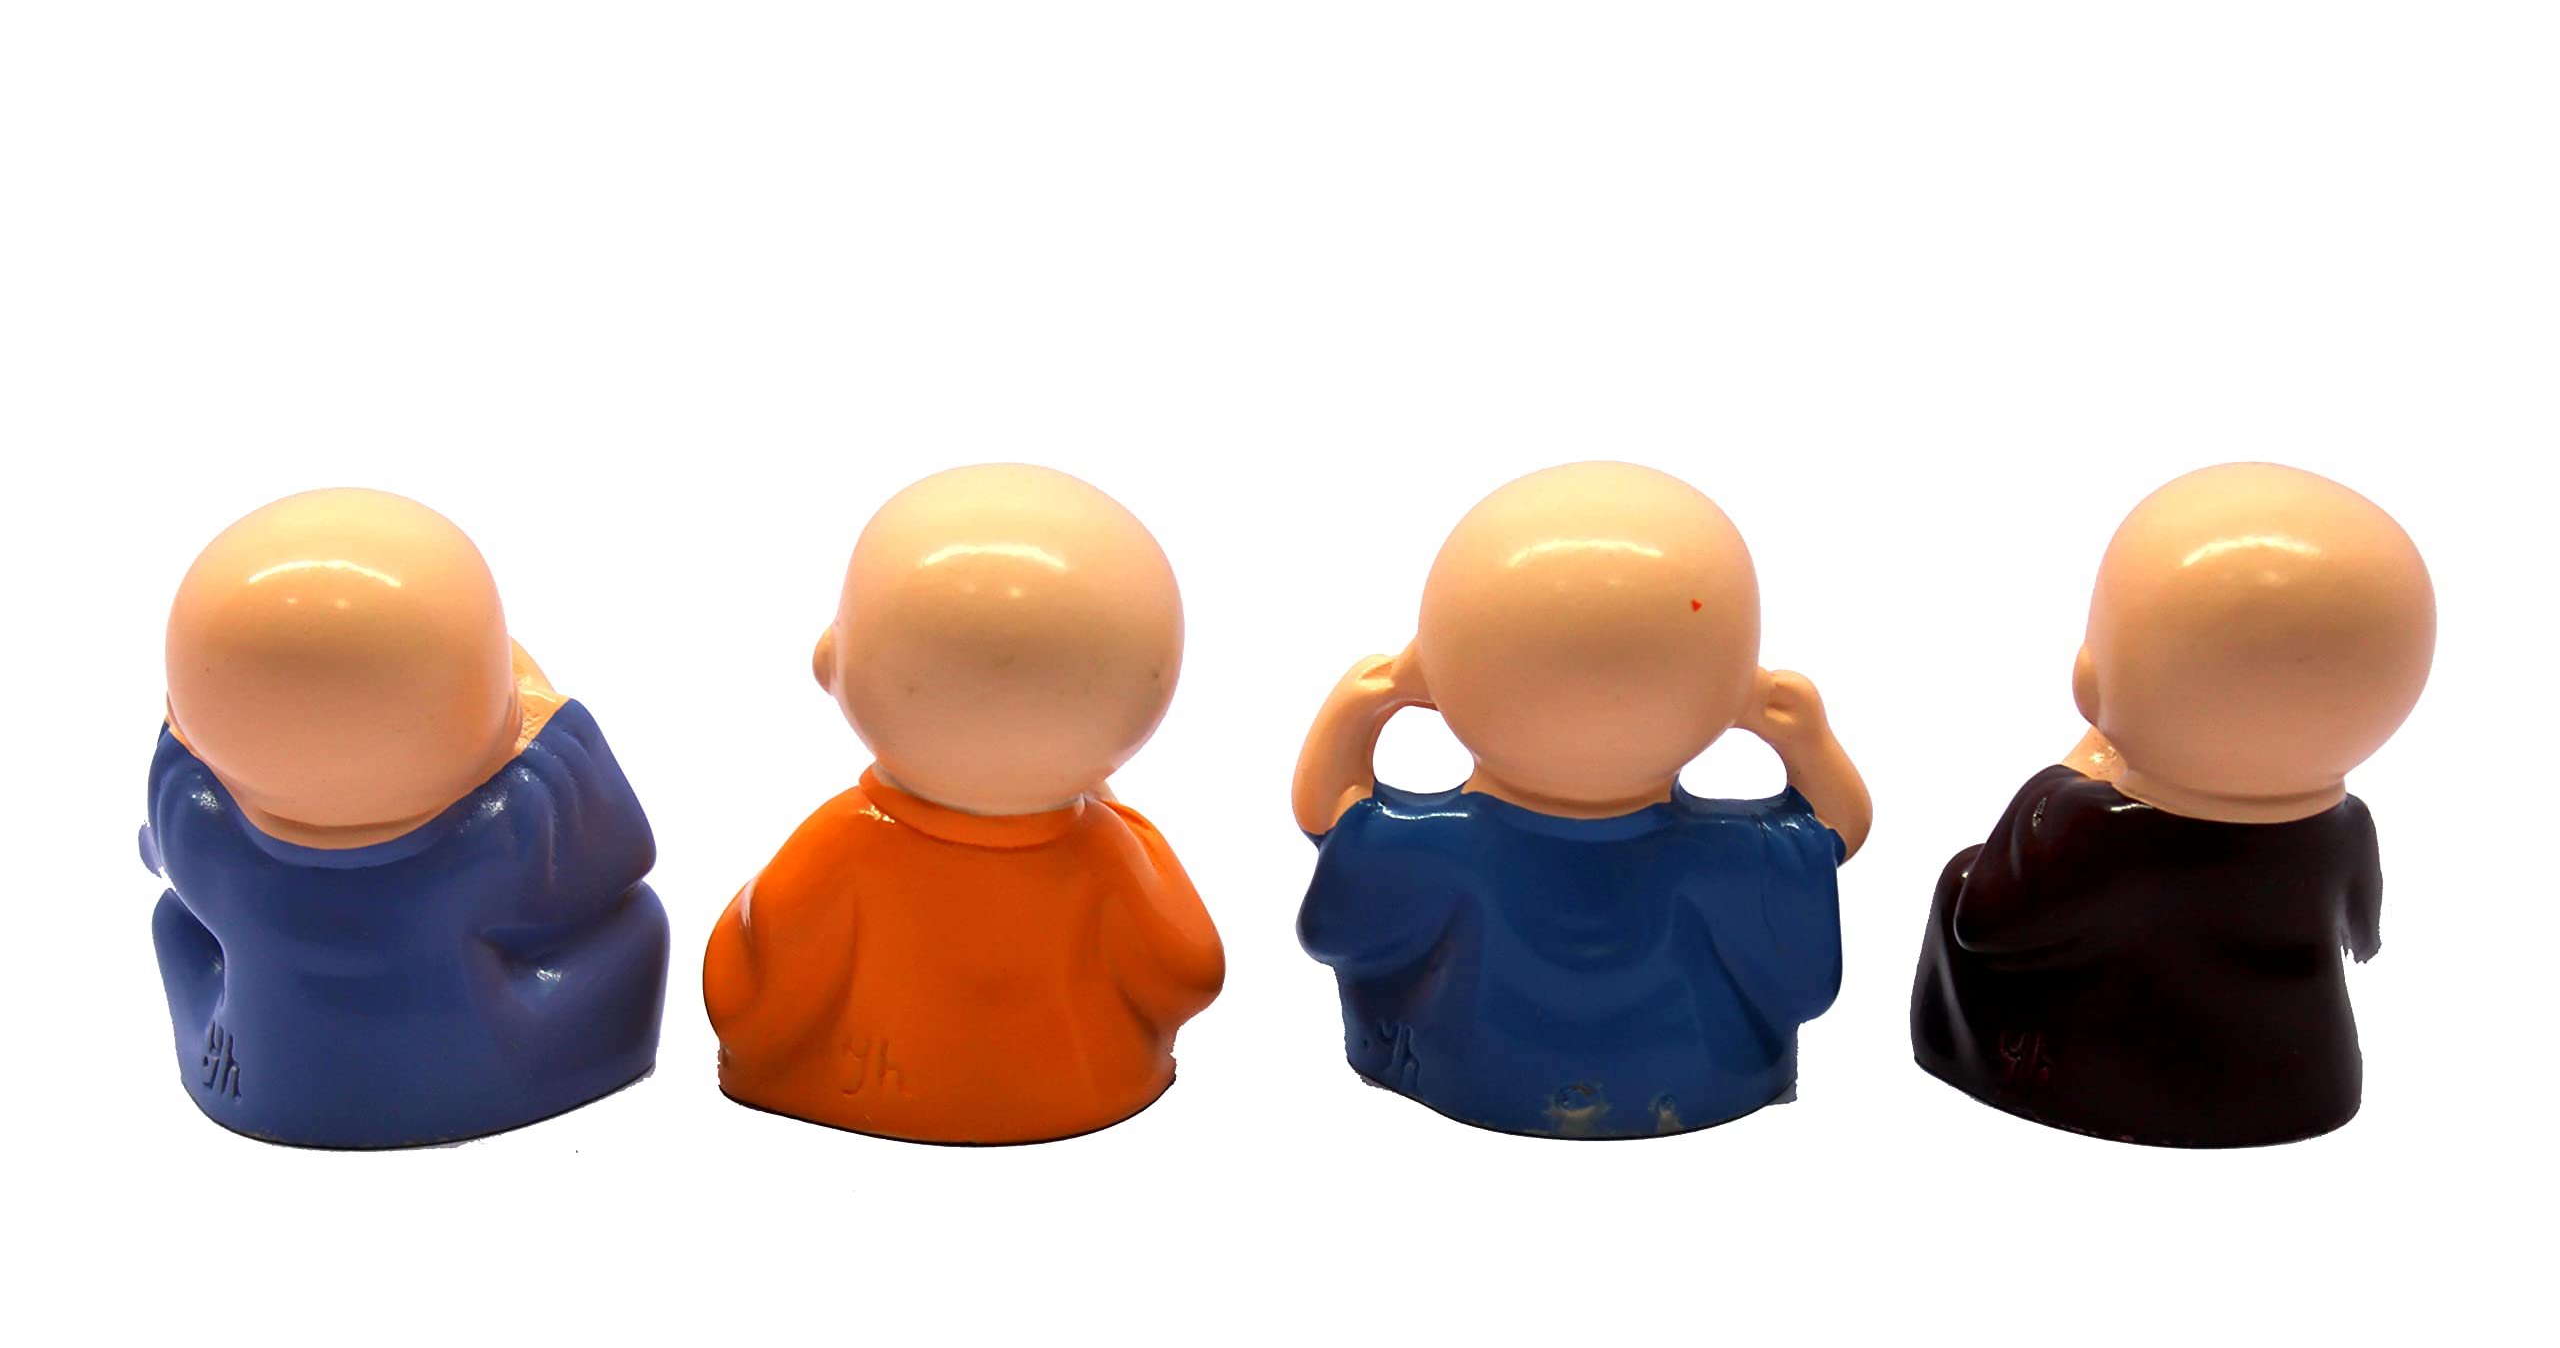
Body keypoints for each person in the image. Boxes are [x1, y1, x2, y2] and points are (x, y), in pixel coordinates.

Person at [1294, 461, 1871, 1138]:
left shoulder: (1443, 845)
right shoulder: (1724, 856)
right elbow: (1834, 831)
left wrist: (1364, 705)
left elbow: (1330, 819)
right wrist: (1806, 743)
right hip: (1690, 1065)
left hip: (1478, 1061)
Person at [1911, 462, 2435, 1146]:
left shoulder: (2092, 828)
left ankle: (1962, 1053)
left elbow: (1986, 921)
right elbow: (2362, 939)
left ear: (2095, 676)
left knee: (1959, 873)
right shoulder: (2346, 827)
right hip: (2306, 1079)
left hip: (2117, 1080)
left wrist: (2076, 766)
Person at [704, 464, 1225, 1144]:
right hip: (1088, 1088)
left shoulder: (843, 842)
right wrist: (1127, 824)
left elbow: (755, 992)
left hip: (851, 1086)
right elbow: (1191, 972)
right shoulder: (1105, 852)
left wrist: (743, 957)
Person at [146, 488, 669, 1147]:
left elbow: (162, 866)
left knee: (174, 918)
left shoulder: (196, 816)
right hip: (491, 1064)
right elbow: (617, 865)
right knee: (639, 921)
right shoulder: (510, 819)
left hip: (258, 1067)